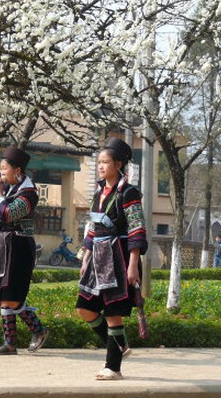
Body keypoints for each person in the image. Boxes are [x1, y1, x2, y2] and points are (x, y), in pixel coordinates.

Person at [77, 137, 147, 381]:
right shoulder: (99, 191)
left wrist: (133, 265)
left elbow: (137, 229)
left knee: (112, 312)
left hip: (119, 258)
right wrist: (86, 257)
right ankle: (120, 343)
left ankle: (113, 367)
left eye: (105, 162)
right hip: (97, 258)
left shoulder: (128, 192)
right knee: (85, 308)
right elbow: (93, 227)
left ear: (118, 164)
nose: (100, 166)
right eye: (99, 162)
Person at [0, 145, 49, 355]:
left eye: (4, 168)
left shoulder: (29, 193)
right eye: (0, 167)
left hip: (20, 247)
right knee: (4, 296)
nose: (0, 172)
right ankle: (10, 343)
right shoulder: (11, 189)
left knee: (13, 297)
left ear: (17, 170)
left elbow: (7, 214)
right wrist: (2, 195)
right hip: (6, 246)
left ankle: (38, 330)